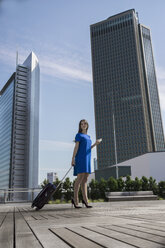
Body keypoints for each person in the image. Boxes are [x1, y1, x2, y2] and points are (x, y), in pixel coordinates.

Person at [71, 119, 102, 208]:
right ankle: (76, 200)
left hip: (87, 158)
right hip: (80, 158)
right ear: (80, 126)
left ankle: (85, 200)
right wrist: (73, 159)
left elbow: (88, 148)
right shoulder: (78, 135)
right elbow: (76, 147)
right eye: (81, 124)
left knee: (85, 179)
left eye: (85, 124)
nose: (83, 125)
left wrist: (96, 144)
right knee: (79, 178)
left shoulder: (88, 137)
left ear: (87, 125)